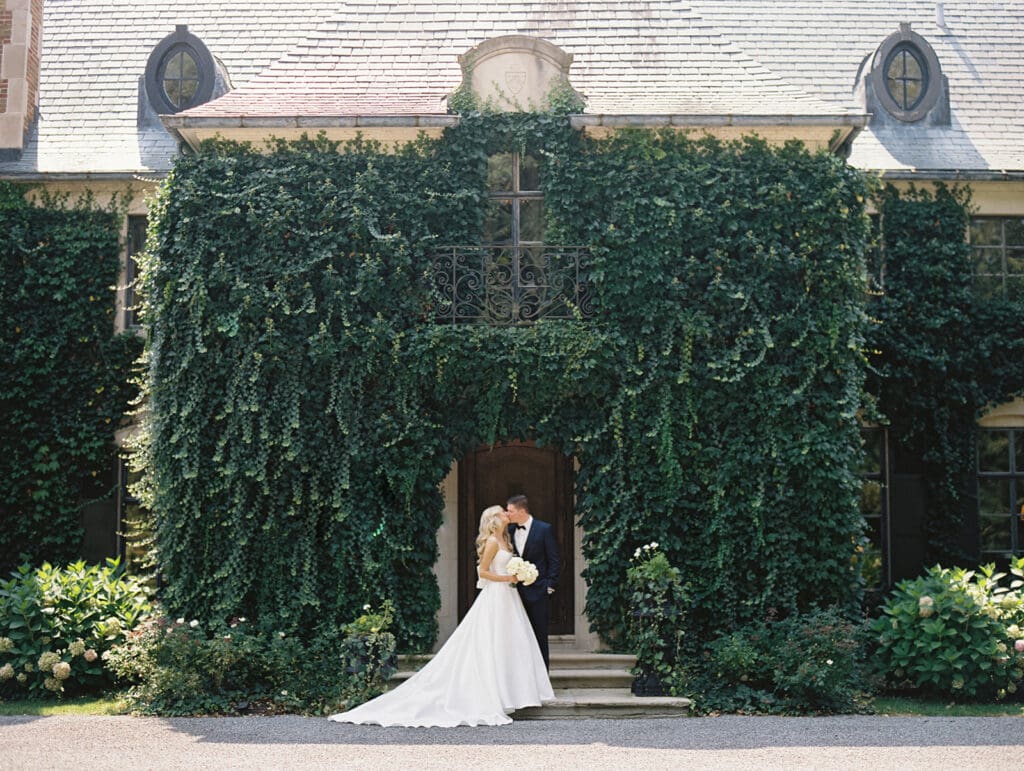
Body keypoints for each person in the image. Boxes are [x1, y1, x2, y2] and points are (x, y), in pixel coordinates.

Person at [328, 505, 553, 727]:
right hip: (496, 596)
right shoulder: (493, 542)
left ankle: (510, 694)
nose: (506, 513)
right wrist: (508, 579)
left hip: (509, 598)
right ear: (494, 518)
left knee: (509, 644)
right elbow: (483, 572)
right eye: (502, 512)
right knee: (491, 642)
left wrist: (518, 573)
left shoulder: (506, 539)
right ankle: (492, 694)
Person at [505, 494, 560, 670]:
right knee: (517, 638)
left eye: (510, 511)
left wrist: (549, 586)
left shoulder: (544, 529)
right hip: (514, 593)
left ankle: (543, 681)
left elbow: (554, 560)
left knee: (539, 636)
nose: (508, 514)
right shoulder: (510, 531)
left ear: (522, 511)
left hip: (539, 592)